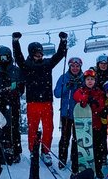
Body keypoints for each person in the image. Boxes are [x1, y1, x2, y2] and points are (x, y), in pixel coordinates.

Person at [12, 30, 68, 163]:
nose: (40, 55)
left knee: (49, 128)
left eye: (41, 52)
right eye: (37, 53)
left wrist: (63, 41)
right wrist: (15, 42)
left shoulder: (47, 64)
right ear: (31, 54)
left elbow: (60, 55)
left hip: (47, 102)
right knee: (33, 127)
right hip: (32, 102)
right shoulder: (26, 65)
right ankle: (33, 150)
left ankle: (45, 151)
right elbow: (18, 56)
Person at [0, 44, 23, 164]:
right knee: (1, 126)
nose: (4, 60)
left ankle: (16, 150)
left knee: (14, 126)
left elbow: (21, 87)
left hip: (13, 102)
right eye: (1, 57)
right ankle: (1, 150)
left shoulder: (16, 70)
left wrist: (14, 92)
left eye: (6, 57)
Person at [73, 69, 108, 177]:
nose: (90, 81)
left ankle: (97, 169)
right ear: (84, 81)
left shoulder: (100, 92)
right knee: (80, 148)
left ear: (95, 81)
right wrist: (87, 98)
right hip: (82, 126)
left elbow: (102, 105)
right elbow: (77, 97)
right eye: (88, 79)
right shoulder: (80, 91)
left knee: (97, 149)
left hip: (96, 125)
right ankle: (76, 169)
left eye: (92, 79)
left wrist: (102, 110)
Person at [53, 57, 84, 172]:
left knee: (77, 139)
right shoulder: (64, 77)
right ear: (69, 67)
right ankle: (62, 159)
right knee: (65, 138)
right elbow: (56, 93)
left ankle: (75, 160)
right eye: (73, 66)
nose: (75, 68)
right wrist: (66, 86)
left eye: (77, 66)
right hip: (66, 113)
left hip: (79, 113)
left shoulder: (83, 78)